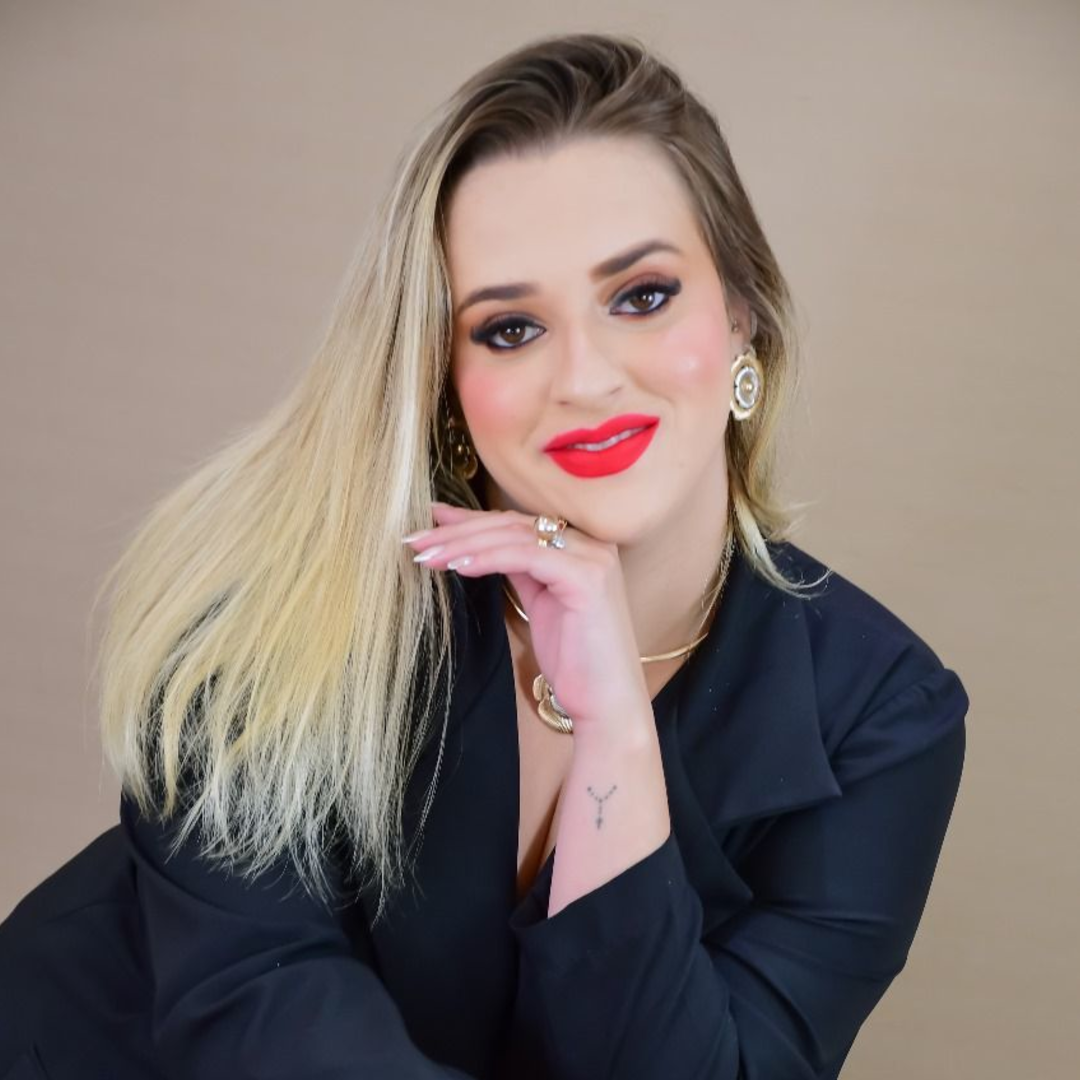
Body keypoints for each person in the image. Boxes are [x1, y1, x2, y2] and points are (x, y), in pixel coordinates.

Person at [0, 31, 968, 1080]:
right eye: (510, 328)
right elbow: (265, 1014)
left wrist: (616, 734)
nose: (585, 378)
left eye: (641, 295)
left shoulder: (881, 718)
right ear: (448, 385)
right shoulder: (287, 604)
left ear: (743, 317)